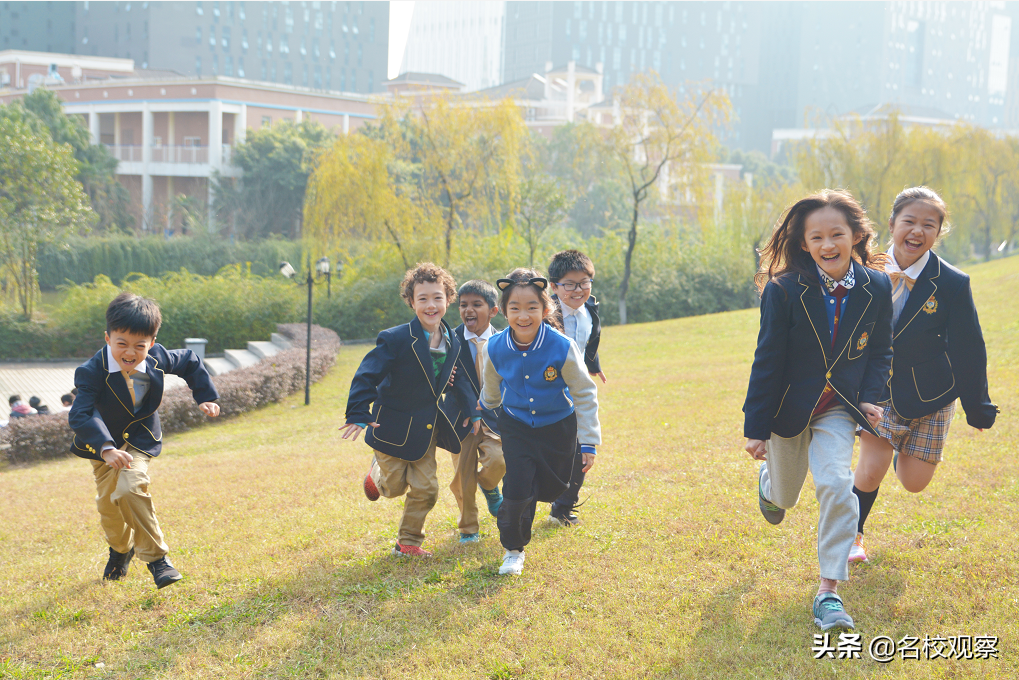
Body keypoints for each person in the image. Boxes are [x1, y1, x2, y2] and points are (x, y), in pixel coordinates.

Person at [742, 190, 892, 630]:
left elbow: (880, 350)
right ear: (804, 244)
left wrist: (870, 396)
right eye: (817, 237)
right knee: (785, 497)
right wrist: (756, 427)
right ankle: (769, 485)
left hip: (839, 407)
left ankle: (829, 592)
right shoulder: (783, 290)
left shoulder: (877, 286)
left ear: (855, 235)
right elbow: (767, 359)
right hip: (788, 409)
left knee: (837, 484)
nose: (828, 244)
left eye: (837, 234)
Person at [849, 187, 998, 563]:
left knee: (914, 482)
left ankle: (900, 447)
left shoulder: (952, 283)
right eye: (909, 221)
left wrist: (978, 406)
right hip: (878, 389)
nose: (917, 231)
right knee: (870, 470)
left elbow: (968, 346)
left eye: (928, 225)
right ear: (892, 224)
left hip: (931, 393)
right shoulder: (864, 271)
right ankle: (853, 536)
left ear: (938, 232)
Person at [69, 292, 221, 589]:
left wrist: (205, 397)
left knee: (129, 487)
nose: (130, 352)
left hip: (140, 438)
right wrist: (106, 448)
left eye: (139, 345)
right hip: (103, 445)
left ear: (151, 343)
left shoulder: (157, 357)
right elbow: (81, 414)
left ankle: (157, 560)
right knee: (109, 510)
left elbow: (190, 361)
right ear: (108, 338)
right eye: (121, 343)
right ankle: (120, 551)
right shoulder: (91, 371)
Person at [341, 263, 479, 558]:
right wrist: (357, 411)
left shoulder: (453, 340)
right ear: (412, 302)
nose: (431, 305)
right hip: (391, 426)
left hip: (426, 428)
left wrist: (472, 409)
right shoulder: (396, 338)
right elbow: (367, 374)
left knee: (427, 489)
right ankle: (376, 474)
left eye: (437, 297)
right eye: (423, 298)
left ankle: (407, 542)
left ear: (448, 299)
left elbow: (459, 378)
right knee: (393, 488)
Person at [480, 268, 601, 576]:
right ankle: (513, 549)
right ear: (504, 311)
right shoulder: (494, 346)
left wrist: (589, 442)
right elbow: (491, 388)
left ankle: (546, 501)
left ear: (545, 309)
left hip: (558, 427)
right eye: (515, 308)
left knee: (549, 486)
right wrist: (484, 408)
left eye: (531, 307)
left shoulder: (561, 346)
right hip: (515, 425)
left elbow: (584, 393)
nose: (523, 316)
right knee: (518, 488)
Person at [546, 249, 605, 527]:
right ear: (554, 286)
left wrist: (593, 364)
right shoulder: (545, 315)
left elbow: (590, 339)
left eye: (584, 283)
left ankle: (562, 509)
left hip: (577, 392)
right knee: (554, 452)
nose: (578, 290)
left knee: (583, 449)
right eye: (569, 284)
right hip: (549, 392)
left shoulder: (590, 308)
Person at [450, 280, 506, 544]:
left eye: (476, 304)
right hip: (460, 417)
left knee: (499, 461)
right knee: (463, 477)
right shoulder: (450, 340)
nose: (468, 310)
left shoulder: (504, 340)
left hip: (494, 418)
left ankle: (490, 487)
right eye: (463, 305)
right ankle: (468, 529)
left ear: (493, 310)